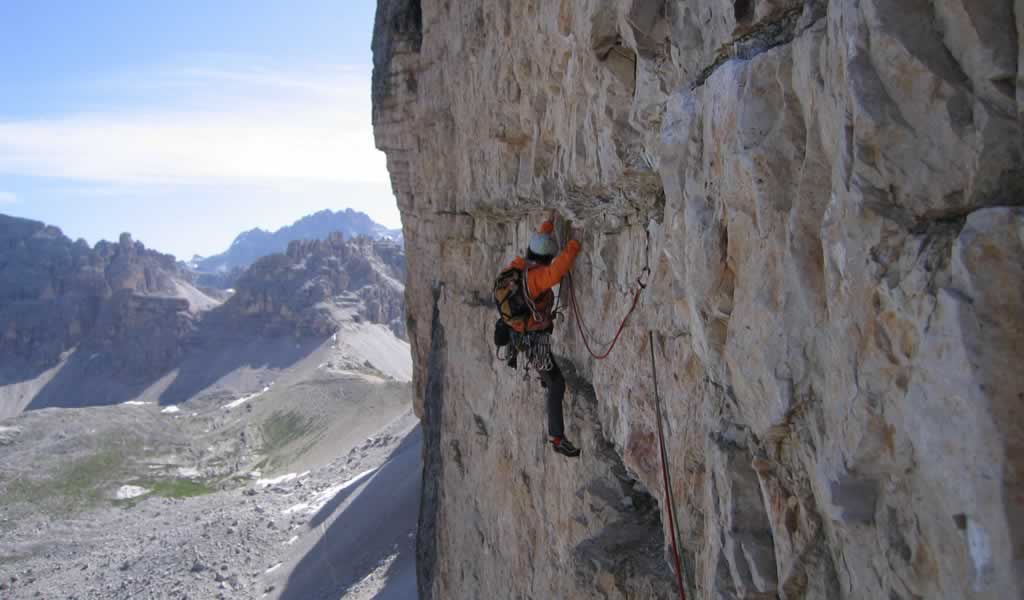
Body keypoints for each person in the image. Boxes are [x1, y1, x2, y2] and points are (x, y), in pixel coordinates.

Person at [503, 212, 583, 458]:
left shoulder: (517, 268)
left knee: (549, 377)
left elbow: (540, 242)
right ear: (546, 258)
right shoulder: (537, 278)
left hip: (518, 335)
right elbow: (557, 272)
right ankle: (557, 438)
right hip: (533, 340)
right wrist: (574, 244)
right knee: (556, 383)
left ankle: (543, 377)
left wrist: (548, 224)